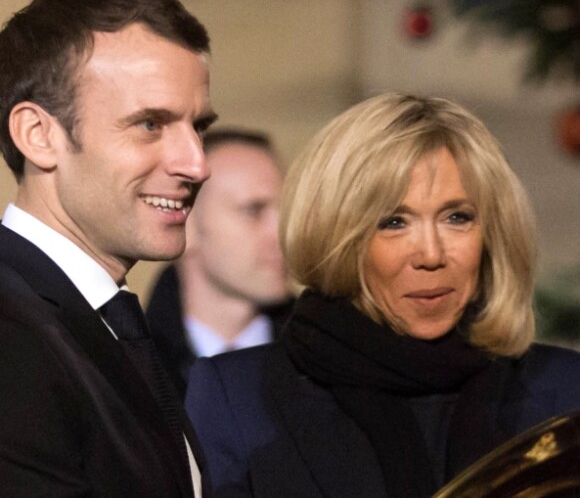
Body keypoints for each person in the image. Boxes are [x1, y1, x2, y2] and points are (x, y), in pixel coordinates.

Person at [185, 93, 580, 498]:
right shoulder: (234, 398)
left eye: (456, 217)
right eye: (394, 222)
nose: (431, 254)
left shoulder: (567, 389)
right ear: (337, 235)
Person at [0, 0, 217, 497]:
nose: (197, 164)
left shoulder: (97, 322)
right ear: (39, 136)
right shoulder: (11, 334)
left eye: (198, 127)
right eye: (149, 124)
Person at [146, 128, 293, 397]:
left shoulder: (329, 360)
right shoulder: (131, 372)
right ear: (185, 225)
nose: (283, 234)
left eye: (287, 213)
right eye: (254, 210)